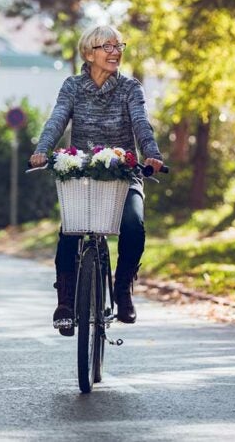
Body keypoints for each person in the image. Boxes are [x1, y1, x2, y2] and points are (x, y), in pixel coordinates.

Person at [30, 24, 164, 335]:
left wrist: (152, 154)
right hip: (83, 172)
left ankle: (122, 289)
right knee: (71, 230)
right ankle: (65, 301)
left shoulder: (130, 88)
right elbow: (57, 118)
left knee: (134, 225)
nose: (116, 51)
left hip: (123, 171)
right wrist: (42, 150)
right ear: (89, 53)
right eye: (108, 46)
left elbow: (142, 124)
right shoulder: (73, 86)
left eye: (119, 46)